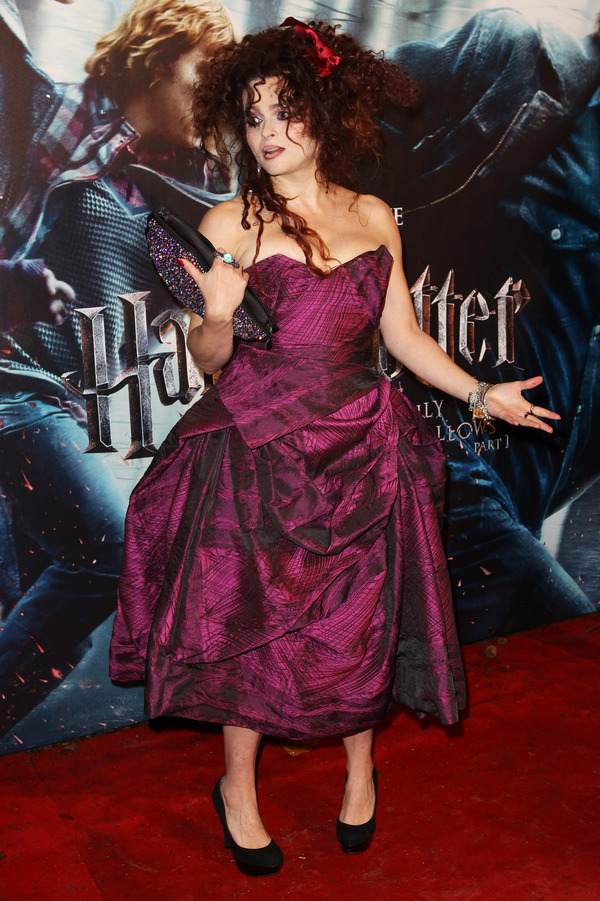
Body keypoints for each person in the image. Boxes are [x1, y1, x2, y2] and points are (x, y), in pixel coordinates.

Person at [109, 20, 559, 875]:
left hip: (361, 447)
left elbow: (403, 338)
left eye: (286, 112)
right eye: (253, 117)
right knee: (249, 624)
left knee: (358, 621)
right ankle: (238, 787)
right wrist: (215, 314)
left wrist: (479, 392)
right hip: (258, 451)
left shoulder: (374, 215)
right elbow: (210, 361)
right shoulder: (229, 221)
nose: (269, 133)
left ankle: (360, 770)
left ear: (323, 114)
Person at [0, 0, 233, 737]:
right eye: (205, 76)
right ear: (158, 59)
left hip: (66, 410)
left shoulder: (192, 180)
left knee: (45, 631)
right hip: (16, 383)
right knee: (105, 553)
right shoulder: (62, 118)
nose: (215, 99)